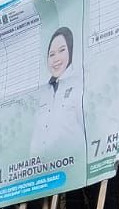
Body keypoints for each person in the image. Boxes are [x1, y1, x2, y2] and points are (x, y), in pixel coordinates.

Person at [30, 26, 85, 156]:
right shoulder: (44, 93)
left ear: (70, 51)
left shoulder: (79, 85)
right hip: (44, 170)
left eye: (62, 51)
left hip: (73, 164)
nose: (56, 59)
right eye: (51, 54)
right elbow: (36, 138)